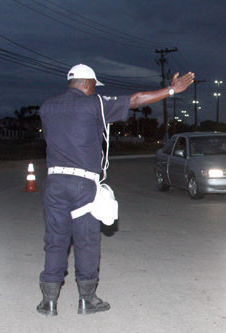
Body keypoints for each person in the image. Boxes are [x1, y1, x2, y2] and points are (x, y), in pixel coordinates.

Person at [37, 64, 194, 316]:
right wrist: (171, 90)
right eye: (93, 86)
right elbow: (135, 100)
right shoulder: (94, 104)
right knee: (86, 241)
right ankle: (87, 300)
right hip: (82, 185)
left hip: (54, 183)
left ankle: (49, 301)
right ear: (88, 83)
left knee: (56, 241)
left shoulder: (47, 107)